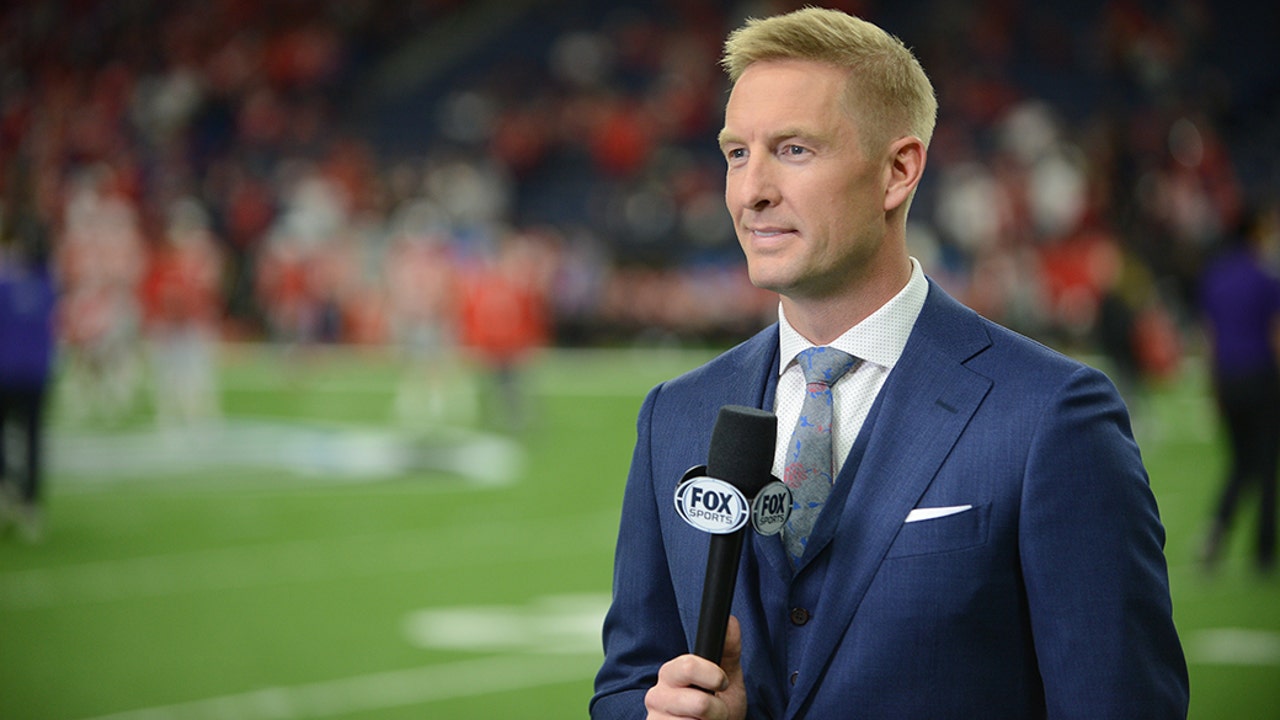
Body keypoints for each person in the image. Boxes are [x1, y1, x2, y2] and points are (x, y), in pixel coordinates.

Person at [591, 8, 1188, 719]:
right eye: (736, 153)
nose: (750, 192)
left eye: (793, 150)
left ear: (898, 171)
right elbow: (627, 685)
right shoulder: (675, 413)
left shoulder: (1049, 415)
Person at [1198, 203, 1280, 574]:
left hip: (1228, 380)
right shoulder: (1266, 278)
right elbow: (1275, 335)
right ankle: (1263, 553)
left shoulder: (1214, 277)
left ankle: (1216, 531)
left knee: (1240, 463)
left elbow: (1210, 340)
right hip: (1261, 378)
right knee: (1265, 467)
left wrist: (1212, 389)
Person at [0, 217, 58, 543]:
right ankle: (28, 502)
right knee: (32, 441)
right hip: (34, 375)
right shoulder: (47, 284)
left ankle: (12, 491)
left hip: (9, 374)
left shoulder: (7, 286)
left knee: (21, 440)